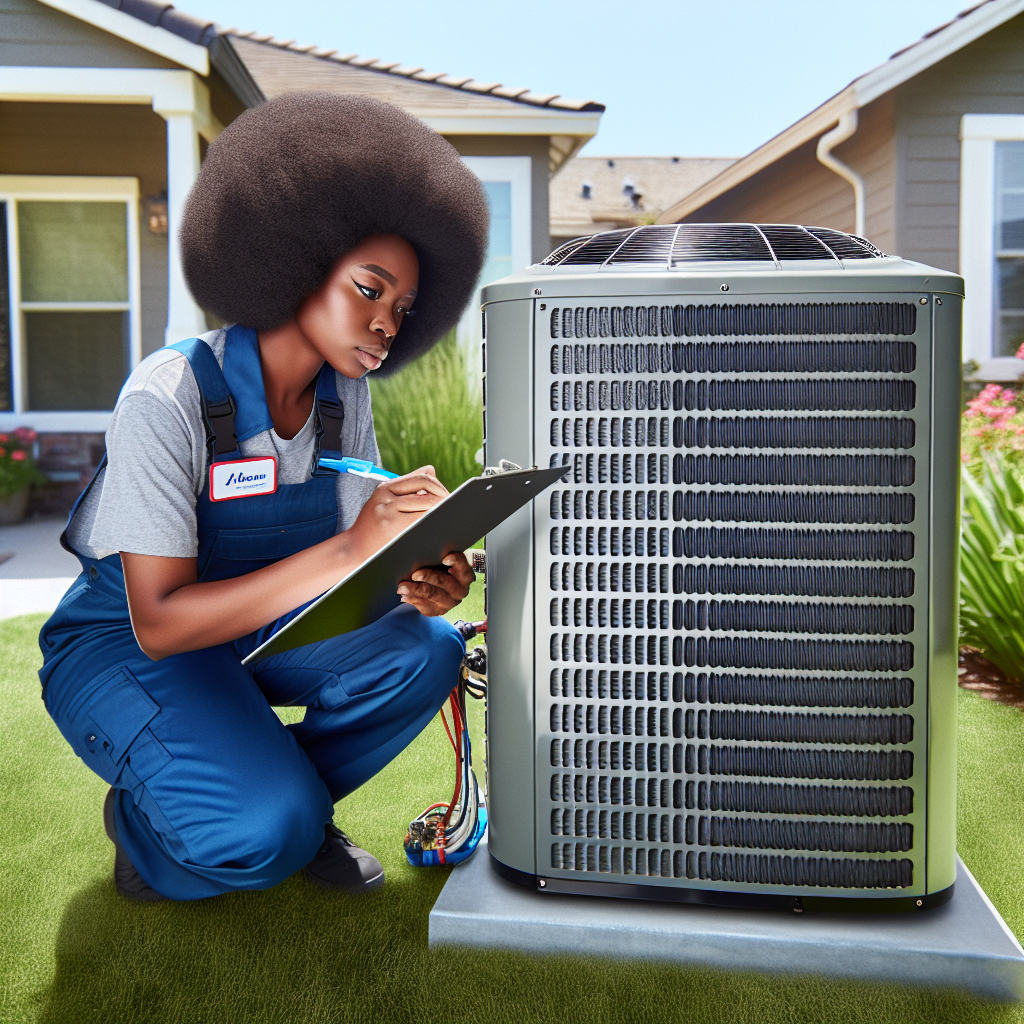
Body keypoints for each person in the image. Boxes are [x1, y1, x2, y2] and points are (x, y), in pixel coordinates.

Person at [37, 93, 489, 903]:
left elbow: (347, 577)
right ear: (300, 258)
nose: (386, 325)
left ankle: (296, 808)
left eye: (401, 309)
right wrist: (352, 550)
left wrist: (416, 579)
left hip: (257, 622)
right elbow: (161, 621)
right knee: (261, 833)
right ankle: (152, 833)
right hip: (130, 645)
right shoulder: (167, 395)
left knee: (428, 649)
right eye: (369, 289)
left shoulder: (343, 397)